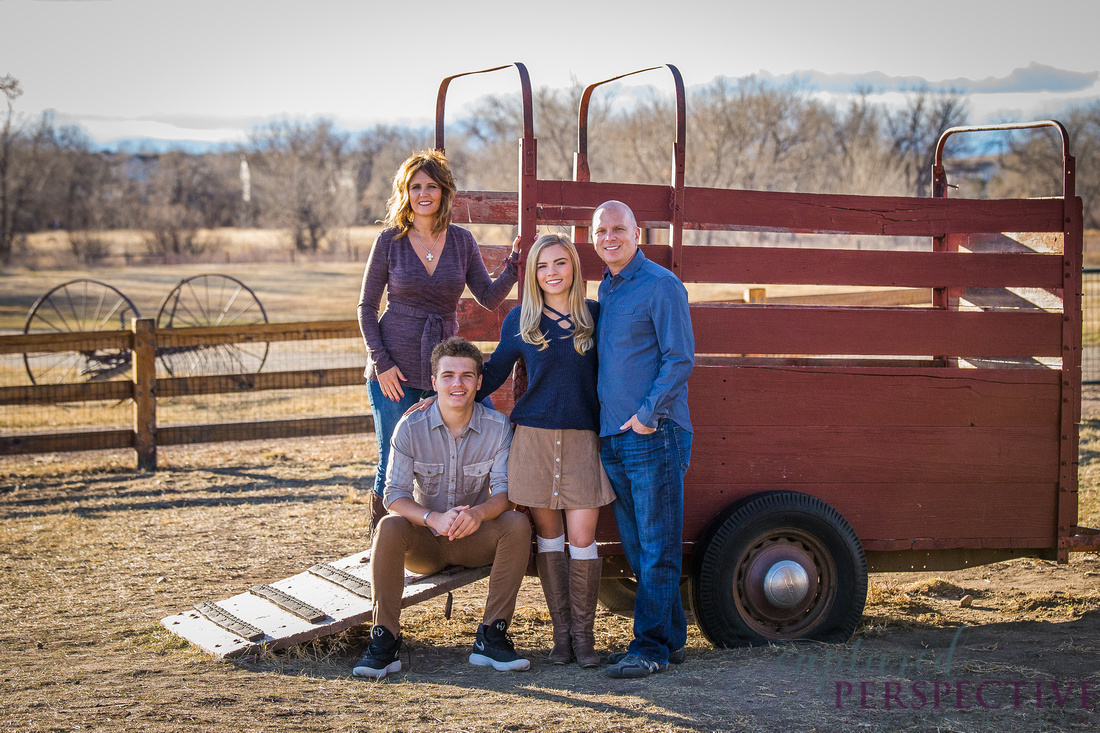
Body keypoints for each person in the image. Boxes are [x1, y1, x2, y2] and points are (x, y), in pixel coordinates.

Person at [357, 150, 519, 536]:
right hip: (393, 367)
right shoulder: (389, 241)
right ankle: (381, 547)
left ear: (445, 192)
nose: (424, 193)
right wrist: (381, 362)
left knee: (470, 438)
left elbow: (489, 296)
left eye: (432, 186)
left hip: (446, 370)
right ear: (405, 193)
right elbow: (366, 306)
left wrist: (513, 265)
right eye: (415, 187)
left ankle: (455, 533)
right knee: (390, 458)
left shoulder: (462, 241)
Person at [352, 337, 532, 679]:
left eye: (467, 376)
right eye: (448, 375)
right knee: (389, 525)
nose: (457, 384)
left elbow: (506, 493)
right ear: (433, 382)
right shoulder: (410, 427)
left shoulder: (497, 429)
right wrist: (431, 517)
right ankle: (384, 641)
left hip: (474, 537)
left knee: (516, 524)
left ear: (479, 382)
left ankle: (492, 636)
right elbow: (393, 494)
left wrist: (477, 514)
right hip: (425, 544)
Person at [476, 233, 615, 668]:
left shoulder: (594, 316)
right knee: (550, 538)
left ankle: (584, 638)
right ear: (533, 274)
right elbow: (493, 373)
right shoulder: (520, 320)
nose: (551, 273)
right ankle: (561, 638)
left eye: (559, 263)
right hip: (533, 441)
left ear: (573, 266)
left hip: (582, 442)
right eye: (541, 266)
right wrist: (445, 390)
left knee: (582, 538)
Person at [590, 201, 695, 679]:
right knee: (638, 547)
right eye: (601, 230)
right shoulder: (606, 289)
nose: (609, 237)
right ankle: (669, 641)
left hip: (653, 433)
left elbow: (680, 358)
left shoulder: (661, 285)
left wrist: (647, 416)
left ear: (637, 233)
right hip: (614, 436)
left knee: (657, 546)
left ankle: (648, 647)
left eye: (618, 229)